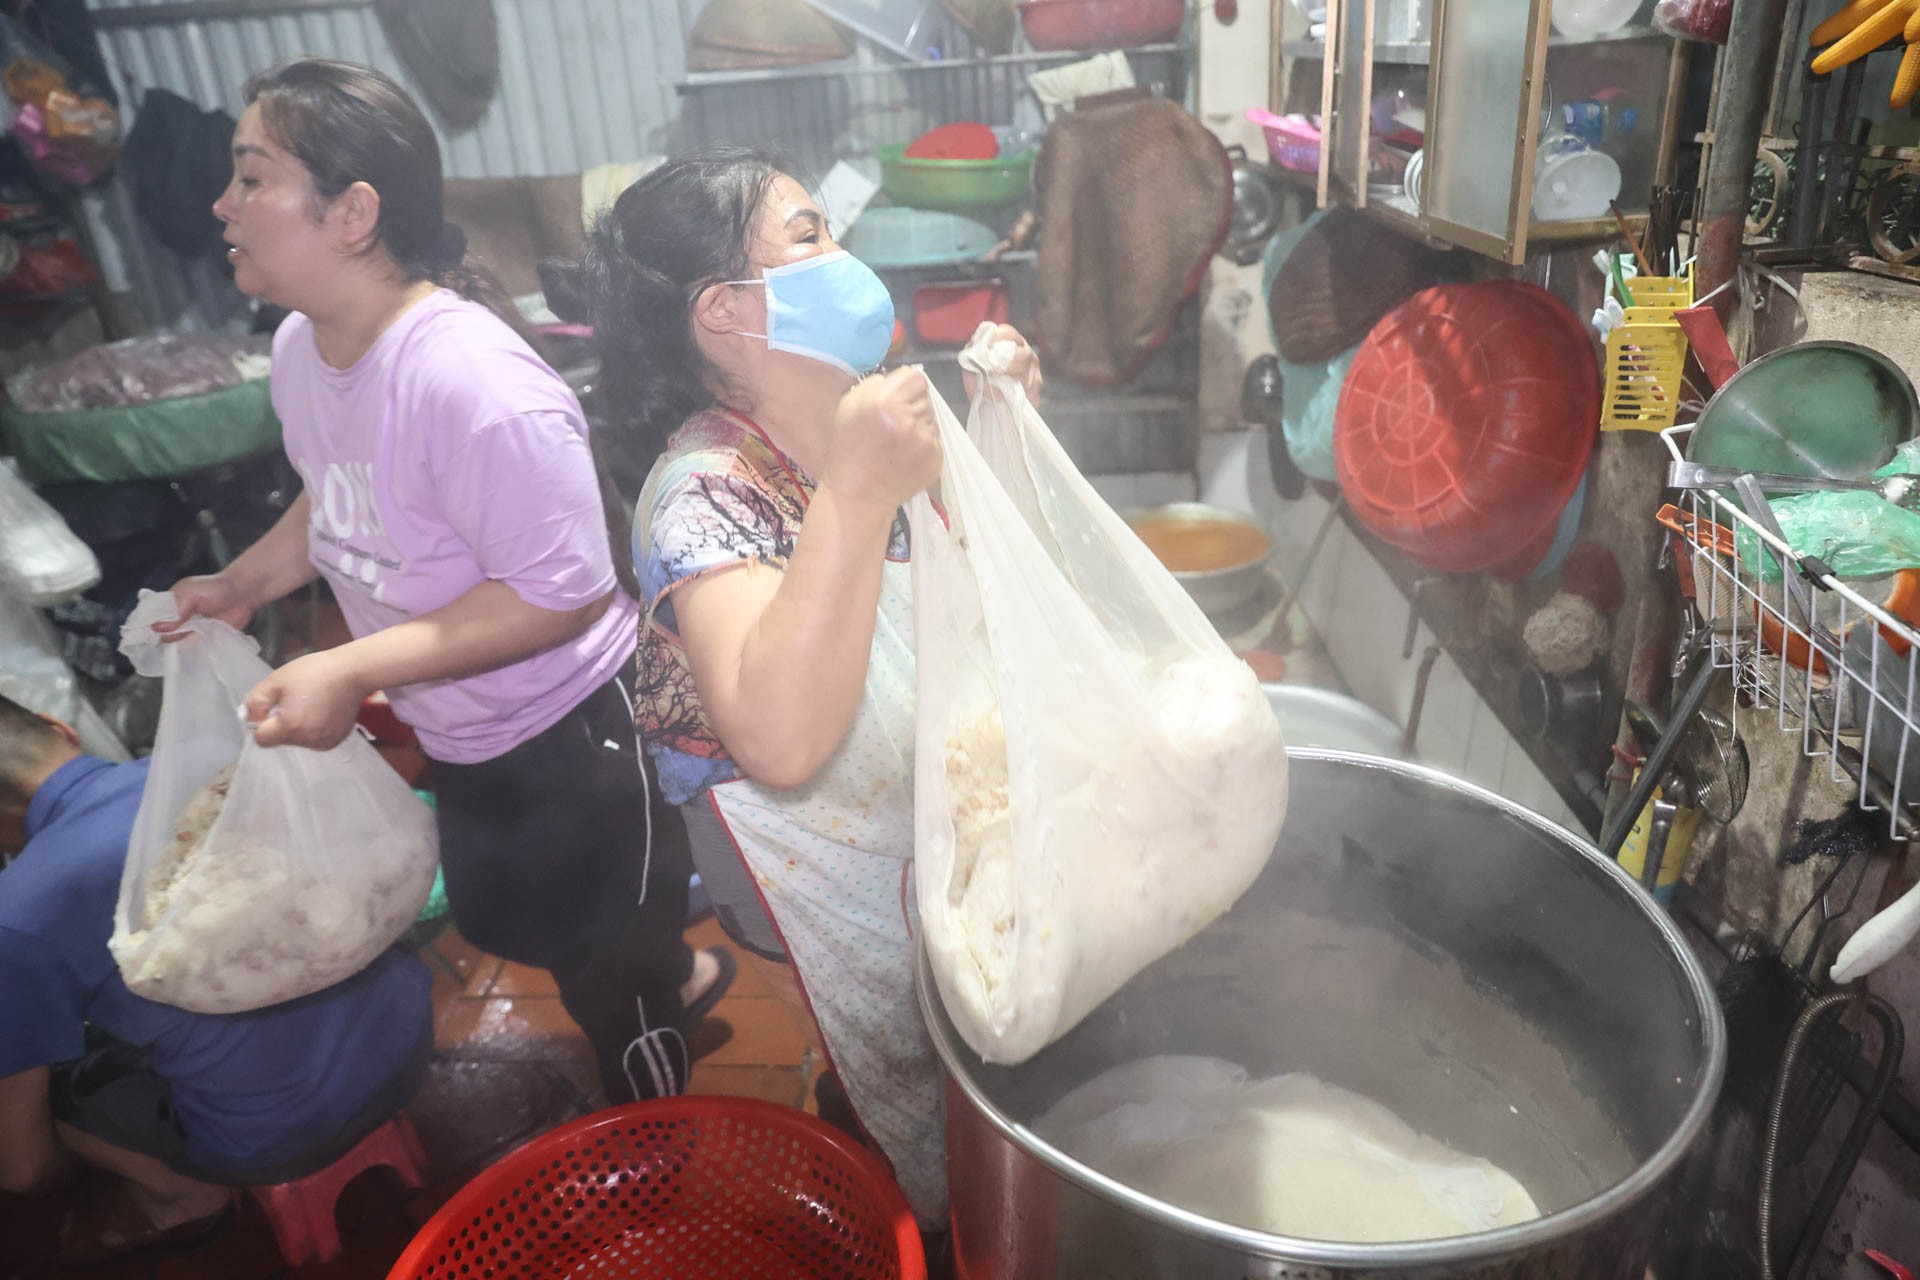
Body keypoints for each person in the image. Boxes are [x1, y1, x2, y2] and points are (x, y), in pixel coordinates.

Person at [161, 58, 729, 1105]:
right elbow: (336, 491)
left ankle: (665, 1148)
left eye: (251, 178)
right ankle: (684, 961)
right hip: (464, 726)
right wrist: (242, 581)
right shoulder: (302, 347)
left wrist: (351, 664)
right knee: (516, 916)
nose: (221, 204)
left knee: (612, 981)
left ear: (353, 212)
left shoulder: (470, 380)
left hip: (574, 734)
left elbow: (563, 589)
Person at [556, 147, 1042, 1226]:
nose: (848, 257)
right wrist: (863, 493)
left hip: (909, 809)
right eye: (812, 235)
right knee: (889, 1057)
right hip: (804, 854)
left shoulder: (852, 419)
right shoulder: (701, 494)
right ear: (726, 310)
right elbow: (776, 738)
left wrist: (1004, 430)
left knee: (968, 1025)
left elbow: (963, 584)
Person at [0, 695, 431, 1266]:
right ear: (61, 727)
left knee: (52, 1088)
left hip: (281, 1138)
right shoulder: (223, 755)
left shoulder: (20, 917)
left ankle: (182, 1198)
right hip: (412, 1039)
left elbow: (24, 1170)